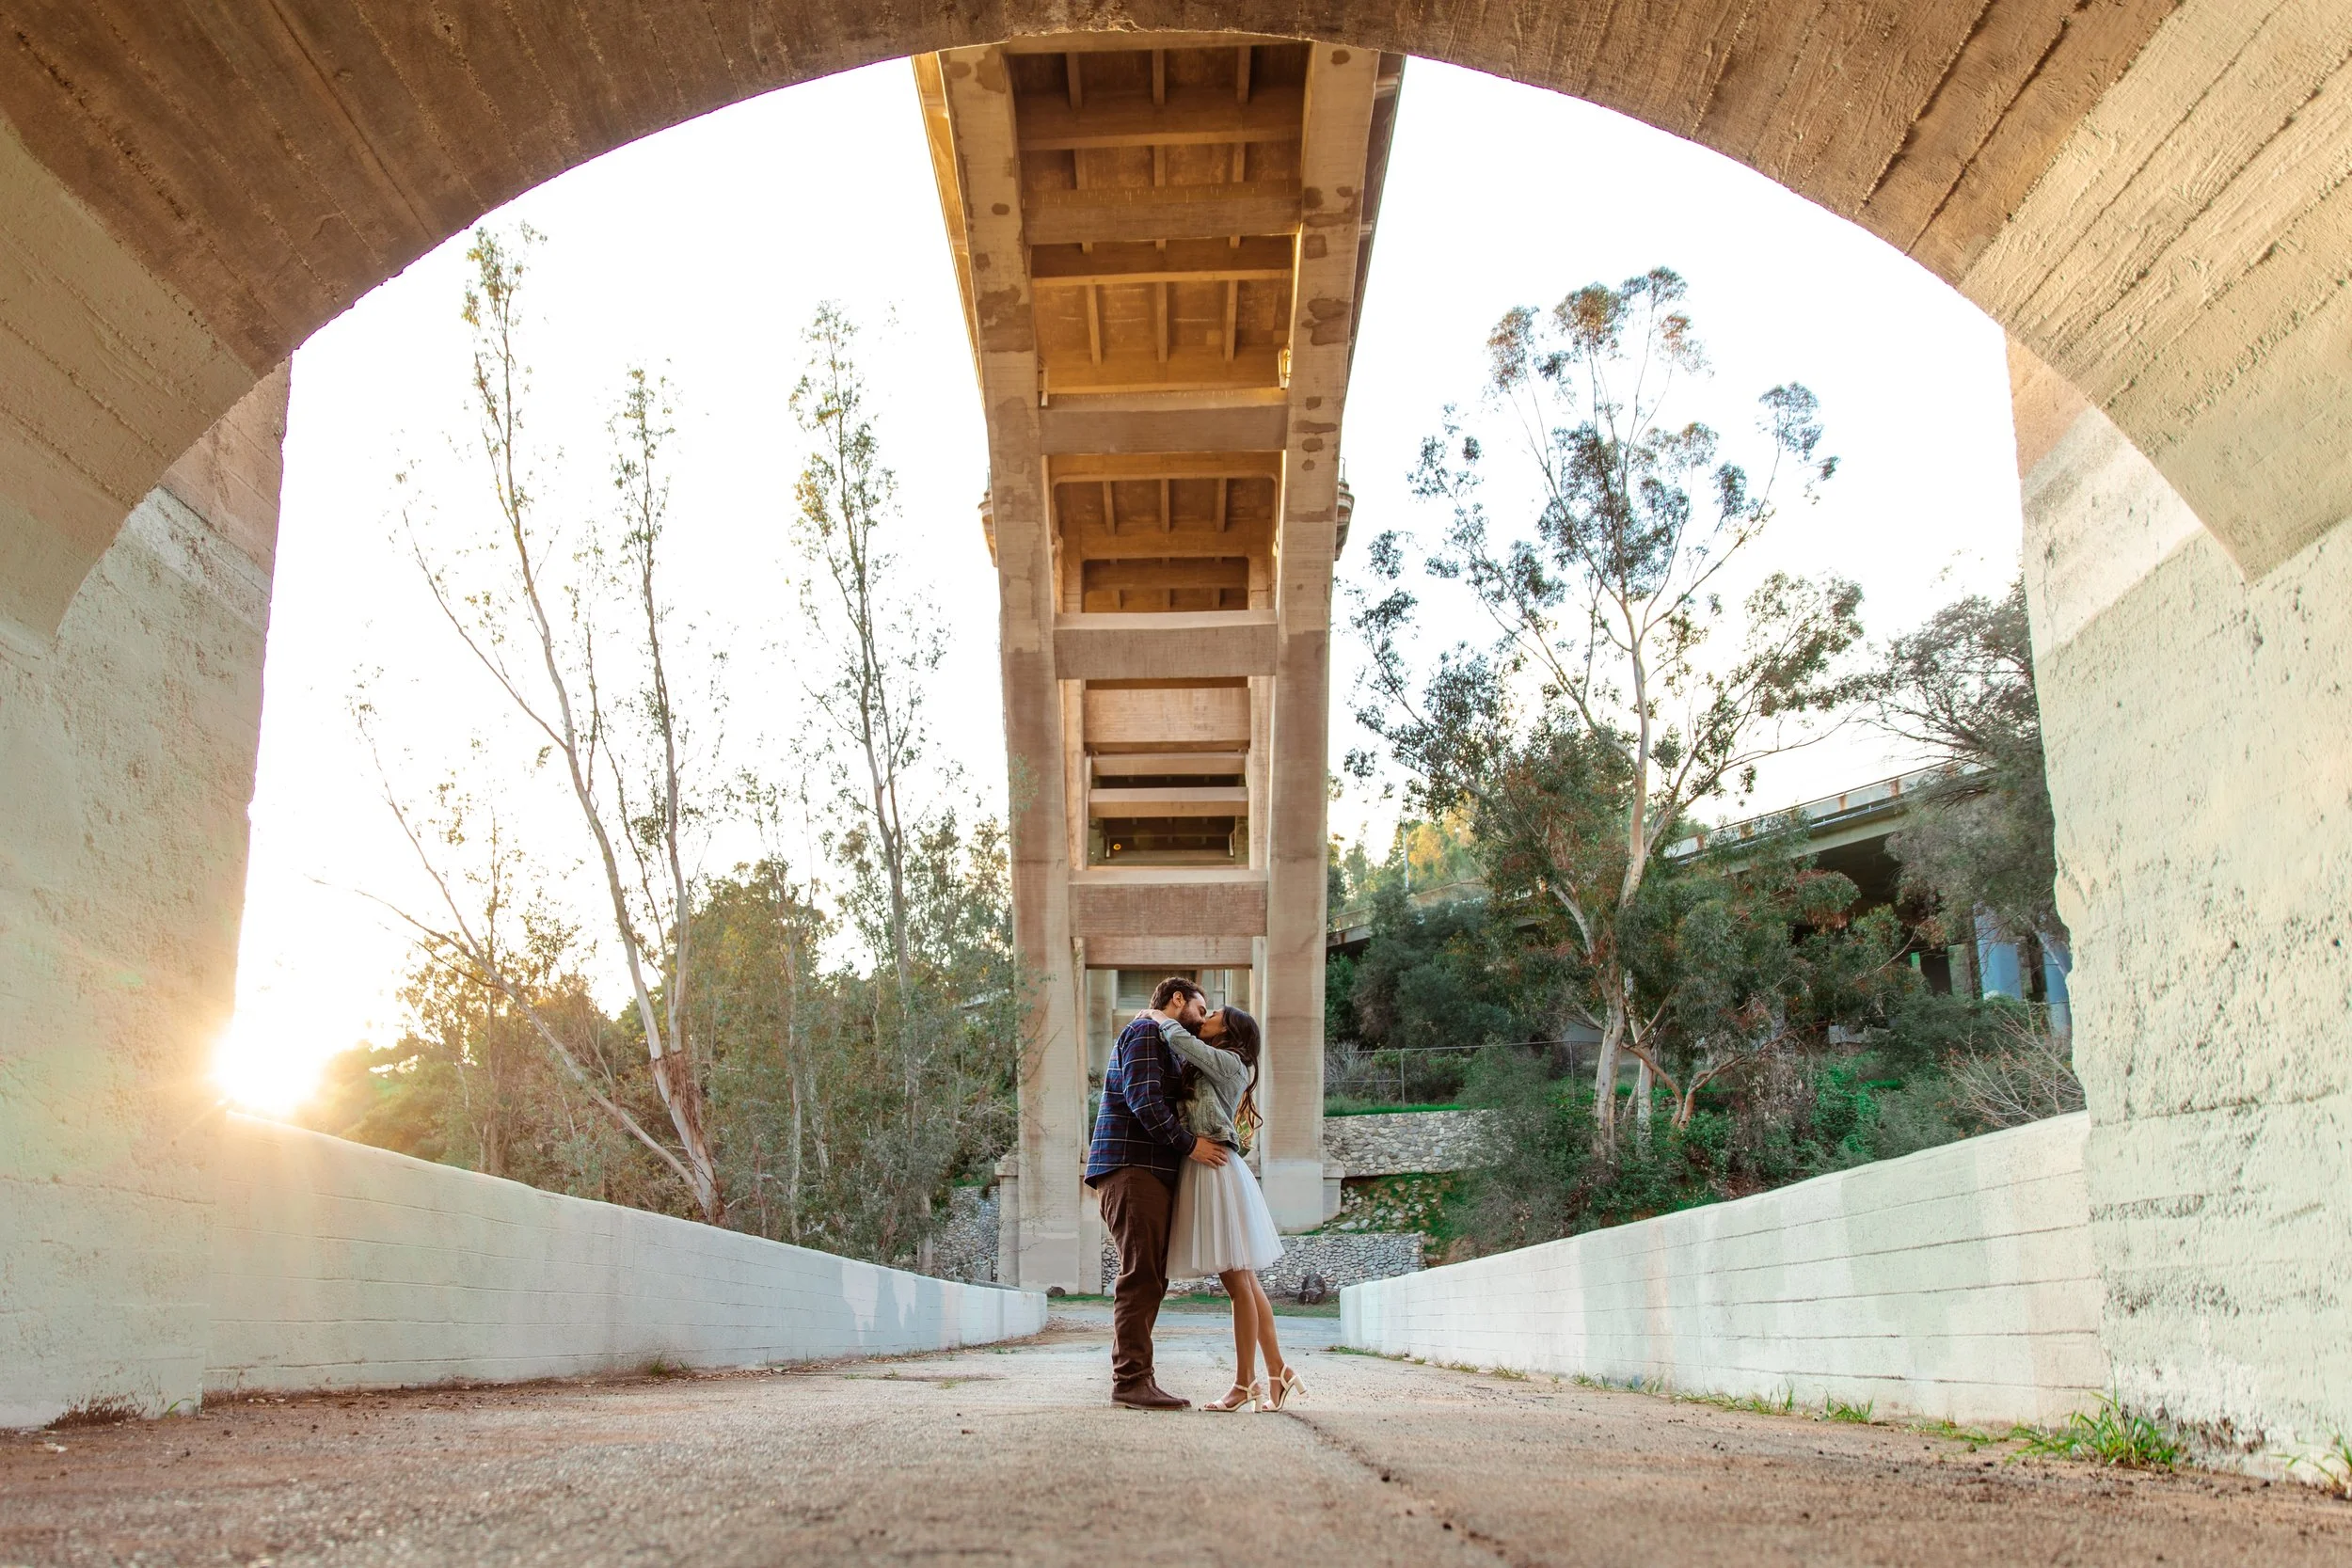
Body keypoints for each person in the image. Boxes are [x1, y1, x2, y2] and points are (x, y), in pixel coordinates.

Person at [1084, 976, 1228, 1410]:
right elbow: (1143, 1099)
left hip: (1144, 1170)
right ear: (1177, 1000)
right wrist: (1191, 1145)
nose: (1202, 1021)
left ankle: (1136, 1378)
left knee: (1149, 1275)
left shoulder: (1162, 1039)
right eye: (1201, 1011)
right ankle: (1130, 1382)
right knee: (1141, 1276)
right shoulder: (1146, 1031)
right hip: (1132, 1168)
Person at [1152, 1000, 1300, 1413]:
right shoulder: (1211, 1063)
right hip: (1208, 1168)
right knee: (1246, 1283)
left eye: (1213, 1014)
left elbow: (1180, 1039)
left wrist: (1159, 1017)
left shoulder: (1231, 1063)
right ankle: (1278, 1372)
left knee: (1237, 1286)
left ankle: (1243, 1384)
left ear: (1228, 1029)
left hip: (1217, 1170)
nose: (1205, 1017)